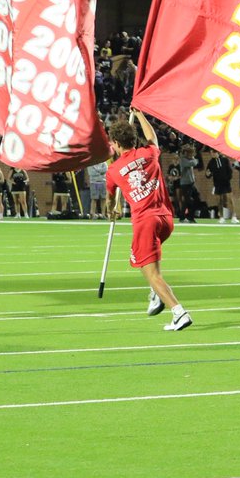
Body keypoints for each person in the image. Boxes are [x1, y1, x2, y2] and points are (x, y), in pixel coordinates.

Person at [104, 111, 192, 331]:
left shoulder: (114, 169)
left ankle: (178, 312)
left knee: (152, 273)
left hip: (145, 221)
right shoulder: (149, 153)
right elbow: (153, 136)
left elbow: (109, 200)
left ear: (115, 143)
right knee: (138, 257)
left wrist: (112, 209)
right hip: (165, 219)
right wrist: (140, 115)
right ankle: (156, 293)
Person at [206, 152, 239, 223]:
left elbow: (229, 171)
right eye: (211, 153)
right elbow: (208, 172)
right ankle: (221, 217)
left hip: (226, 183)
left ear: (217, 153)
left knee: (230, 199)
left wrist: (228, 178)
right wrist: (208, 174)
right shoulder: (211, 162)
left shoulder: (225, 160)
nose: (212, 154)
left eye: (213, 153)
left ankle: (234, 216)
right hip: (217, 184)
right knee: (219, 201)